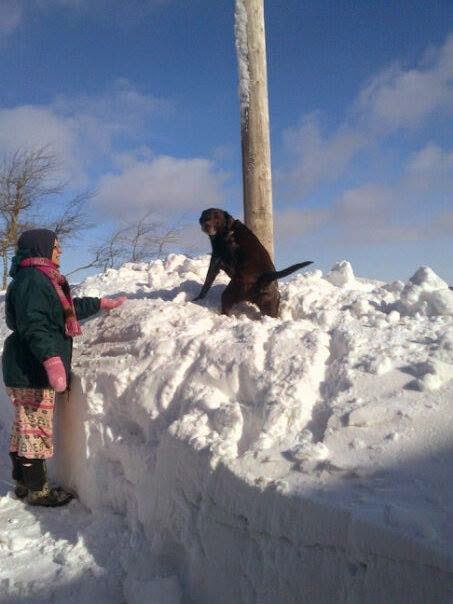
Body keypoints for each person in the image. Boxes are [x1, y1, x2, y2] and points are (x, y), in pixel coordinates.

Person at [2, 229, 127, 507]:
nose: (59, 251)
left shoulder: (41, 277)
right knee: (35, 431)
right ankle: (38, 491)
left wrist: (99, 304)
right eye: (55, 246)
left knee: (25, 428)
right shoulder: (33, 279)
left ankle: (23, 482)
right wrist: (52, 360)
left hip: (26, 367)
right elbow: (34, 323)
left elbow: (62, 309)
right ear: (41, 247)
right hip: (31, 370)